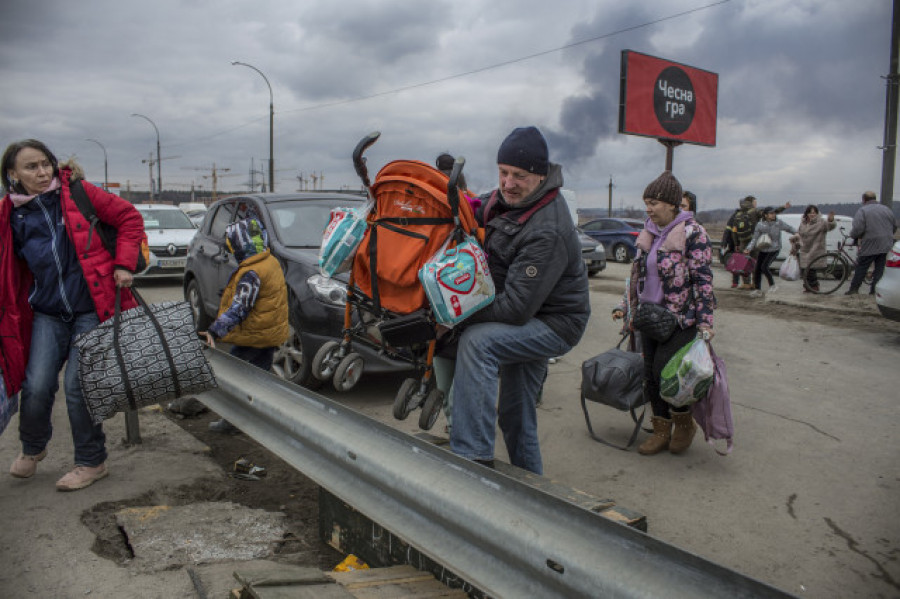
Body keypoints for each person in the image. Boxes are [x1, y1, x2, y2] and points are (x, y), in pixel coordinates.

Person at [1, 139, 146, 491]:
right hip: (47, 312)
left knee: (77, 386)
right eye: (31, 167)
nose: (41, 172)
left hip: (90, 309)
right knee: (35, 385)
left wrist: (125, 264)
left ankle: (91, 461)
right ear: (13, 174)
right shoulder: (11, 212)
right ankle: (34, 448)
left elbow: (129, 217)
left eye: (45, 164)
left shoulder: (78, 193)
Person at [448, 126, 590, 474]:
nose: (508, 183)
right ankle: (533, 489)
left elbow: (514, 309)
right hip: (531, 314)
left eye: (519, 176)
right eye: (503, 172)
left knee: (477, 343)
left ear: (541, 176)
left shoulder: (548, 228)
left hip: (555, 323)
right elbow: (474, 214)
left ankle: (472, 460)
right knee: (515, 414)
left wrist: (456, 314)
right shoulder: (505, 200)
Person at [612, 170, 716, 456]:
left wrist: (706, 321)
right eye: (647, 201)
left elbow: (703, 279)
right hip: (648, 317)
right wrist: (626, 306)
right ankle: (661, 429)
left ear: (672, 204)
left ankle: (684, 425)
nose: (649, 208)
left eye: (654, 202)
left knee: (668, 375)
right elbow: (635, 275)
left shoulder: (693, 233)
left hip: (679, 319)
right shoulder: (648, 233)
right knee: (650, 376)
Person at [201, 217, 289, 433]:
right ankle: (258, 419)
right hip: (267, 334)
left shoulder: (251, 273)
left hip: (252, 337)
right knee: (259, 379)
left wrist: (215, 330)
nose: (232, 251)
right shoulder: (270, 261)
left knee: (238, 381)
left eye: (233, 245)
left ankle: (232, 423)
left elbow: (240, 307)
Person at [728, 196, 790, 289]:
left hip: (743, 242)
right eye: (755, 202)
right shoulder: (755, 211)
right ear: (751, 203)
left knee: (744, 263)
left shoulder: (738, 214)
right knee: (755, 263)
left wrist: (736, 243)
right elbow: (770, 214)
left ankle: (746, 283)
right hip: (755, 241)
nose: (756, 204)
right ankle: (755, 283)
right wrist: (783, 207)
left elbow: (734, 231)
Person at [845, 190, 897, 295]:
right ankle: (874, 291)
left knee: (862, 266)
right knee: (880, 269)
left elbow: (858, 228)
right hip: (886, 244)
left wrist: (854, 235)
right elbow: (894, 226)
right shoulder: (886, 209)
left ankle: (854, 289)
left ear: (864, 200)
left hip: (870, 243)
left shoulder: (862, 210)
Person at [744, 206, 796, 297]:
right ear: (766, 215)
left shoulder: (778, 223)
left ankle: (773, 285)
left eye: (774, 213)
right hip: (763, 249)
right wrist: (749, 248)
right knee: (757, 269)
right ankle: (758, 290)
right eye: (771, 213)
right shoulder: (760, 225)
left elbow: (789, 228)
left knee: (764, 267)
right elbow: (755, 238)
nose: (773, 215)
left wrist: (797, 233)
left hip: (774, 249)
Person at [791, 205, 835, 292]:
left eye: (814, 212)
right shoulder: (803, 223)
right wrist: (794, 246)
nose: (812, 214)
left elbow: (829, 226)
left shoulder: (821, 222)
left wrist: (831, 220)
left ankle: (814, 286)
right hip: (804, 249)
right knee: (804, 270)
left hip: (815, 249)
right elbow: (799, 235)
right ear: (807, 213)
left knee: (810, 270)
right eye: (810, 212)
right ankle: (807, 286)